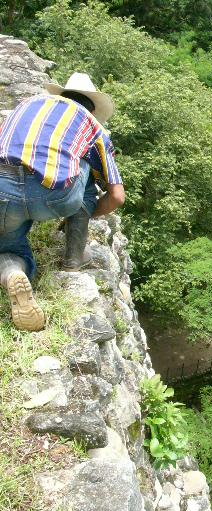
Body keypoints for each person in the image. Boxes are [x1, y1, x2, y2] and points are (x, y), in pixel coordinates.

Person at [0, 73, 125, 332]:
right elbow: (116, 196)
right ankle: (73, 260)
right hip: (54, 196)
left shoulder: (25, 106)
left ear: (62, 95)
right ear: (92, 107)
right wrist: (88, 210)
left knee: (7, 246)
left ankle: (12, 272)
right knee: (88, 172)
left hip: (3, 190)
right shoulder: (93, 127)